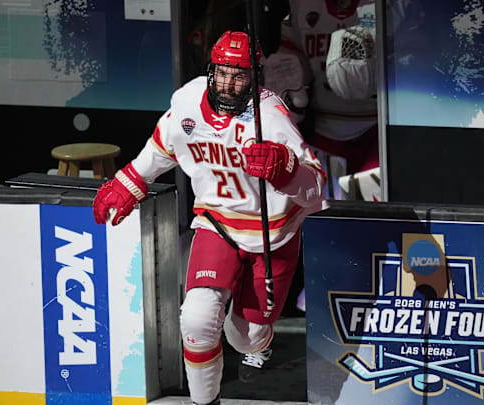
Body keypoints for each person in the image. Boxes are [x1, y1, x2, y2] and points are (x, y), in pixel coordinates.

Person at [92, 30, 328, 405]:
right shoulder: (186, 102)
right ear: (210, 70)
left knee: (246, 336)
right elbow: (161, 148)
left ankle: (258, 342)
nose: (229, 84)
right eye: (222, 72)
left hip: (272, 234)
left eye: (239, 75)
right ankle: (205, 402)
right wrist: (129, 183)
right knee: (197, 319)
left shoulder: (270, 115)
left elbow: (317, 183)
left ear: (255, 76)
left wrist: (283, 168)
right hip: (216, 222)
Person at [263, 0, 379, 200]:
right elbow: (292, 63)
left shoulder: (393, 5)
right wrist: (287, 84)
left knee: (382, 219)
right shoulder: (302, 5)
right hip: (324, 135)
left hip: (379, 133)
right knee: (325, 216)